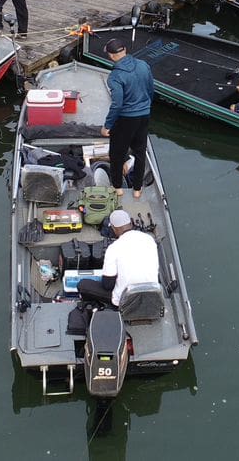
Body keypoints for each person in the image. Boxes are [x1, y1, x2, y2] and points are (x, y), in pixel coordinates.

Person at [100, 38, 153, 198]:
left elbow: (117, 103)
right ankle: (137, 189)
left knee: (116, 155)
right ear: (125, 50)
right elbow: (151, 90)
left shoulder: (115, 76)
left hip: (125, 120)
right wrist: (146, 107)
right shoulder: (144, 65)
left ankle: (118, 188)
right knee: (140, 152)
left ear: (111, 55)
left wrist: (107, 126)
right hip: (144, 115)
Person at [76, 209, 159, 308]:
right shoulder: (149, 239)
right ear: (130, 223)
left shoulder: (113, 248)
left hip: (125, 301)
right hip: (151, 295)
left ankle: (96, 307)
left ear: (114, 229)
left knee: (83, 285)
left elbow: (107, 285)